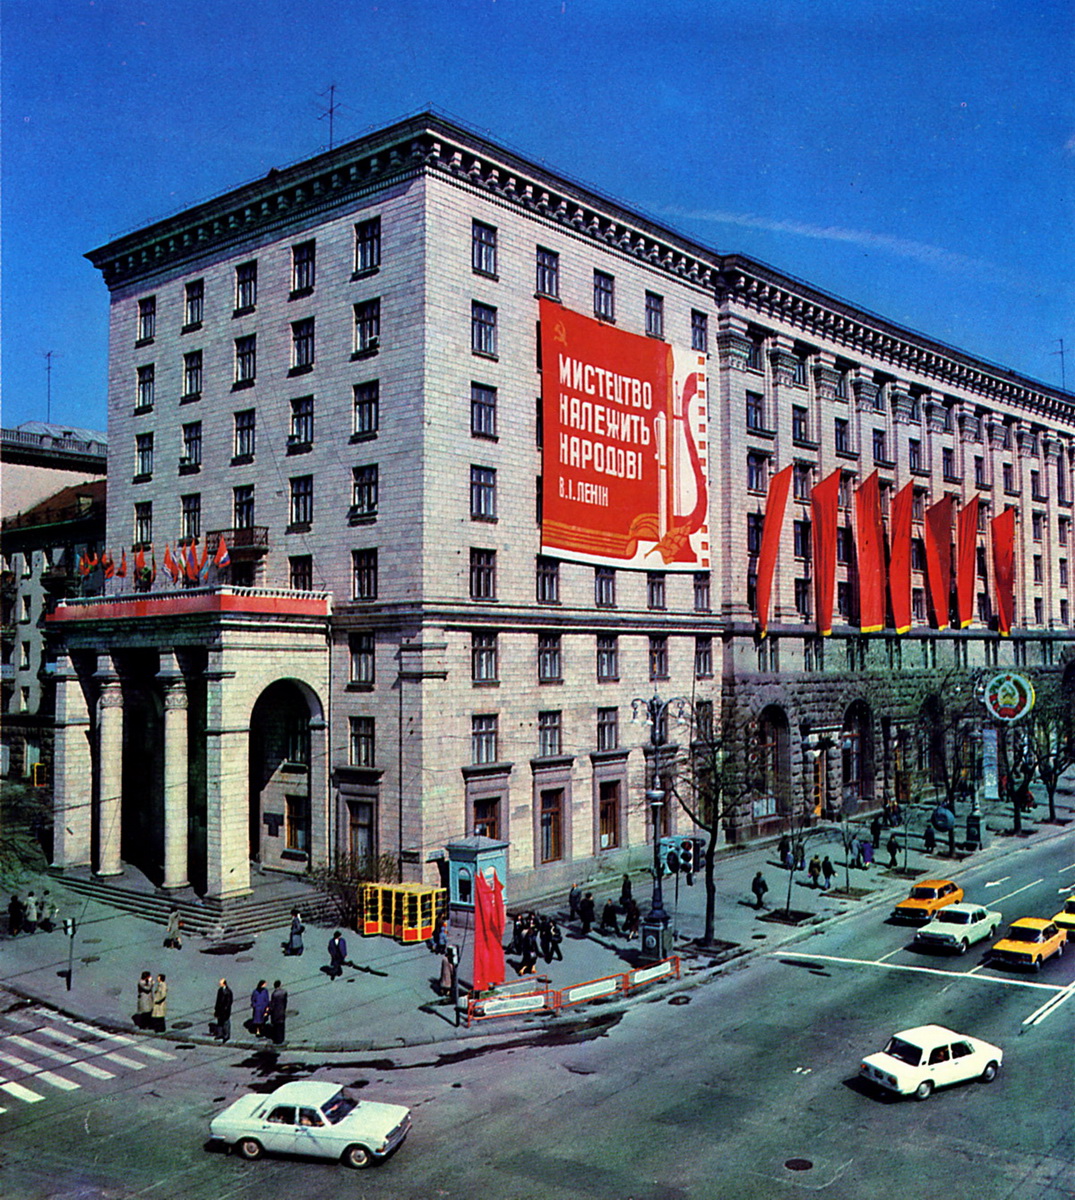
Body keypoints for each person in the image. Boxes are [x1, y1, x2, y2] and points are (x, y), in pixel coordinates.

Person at [268, 980, 288, 1045]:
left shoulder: (274, 994)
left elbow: (273, 1005)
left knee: (276, 1027)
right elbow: (285, 1002)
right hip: (282, 1011)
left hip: (276, 1013)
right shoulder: (284, 992)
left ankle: (277, 1040)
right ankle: (282, 1039)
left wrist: (269, 1011)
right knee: (282, 1025)